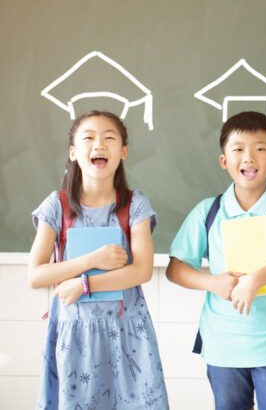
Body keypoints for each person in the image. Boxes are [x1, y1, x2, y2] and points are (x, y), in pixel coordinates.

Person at [167, 111, 266, 410]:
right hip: (223, 346)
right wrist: (212, 282)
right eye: (238, 149)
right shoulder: (208, 211)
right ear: (224, 160)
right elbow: (176, 268)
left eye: (260, 148)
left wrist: (256, 279)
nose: (249, 158)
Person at [28, 110, 168, 409]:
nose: (99, 145)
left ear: (124, 151)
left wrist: (85, 284)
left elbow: (142, 270)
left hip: (128, 329)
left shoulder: (135, 204)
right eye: (88, 137)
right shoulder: (57, 205)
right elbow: (36, 275)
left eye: (109, 138)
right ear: (73, 151)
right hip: (75, 330)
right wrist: (93, 259)